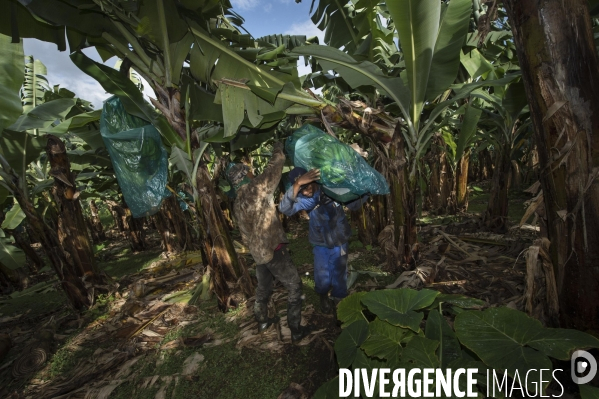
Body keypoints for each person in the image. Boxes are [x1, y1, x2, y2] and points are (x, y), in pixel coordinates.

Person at [227, 142, 312, 344]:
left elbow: (245, 234)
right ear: (243, 176)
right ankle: (296, 329)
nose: (251, 173)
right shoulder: (256, 189)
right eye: (248, 171)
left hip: (258, 254)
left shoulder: (238, 202)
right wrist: (277, 148)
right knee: (294, 286)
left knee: (263, 289)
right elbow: (274, 167)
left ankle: (263, 321)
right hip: (273, 250)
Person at [279, 167, 368, 314]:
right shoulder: (305, 201)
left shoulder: (329, 189)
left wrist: (362, 187)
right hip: (320, 243)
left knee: (340, 272)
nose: (306, 191)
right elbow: (284, 209)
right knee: (322, 274)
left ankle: (339, 301)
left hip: (340, 239)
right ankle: (323, 295)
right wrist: (297, 185)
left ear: (314, 181)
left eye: (307, 186)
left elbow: (354, 202)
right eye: (301, 189)